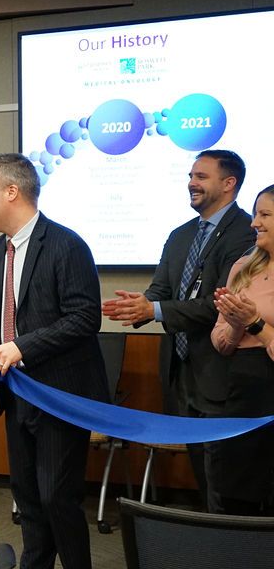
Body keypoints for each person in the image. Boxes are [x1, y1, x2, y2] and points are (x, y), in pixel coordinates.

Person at [0, 153, 108, 569]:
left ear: (11, 192)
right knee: (27, 498)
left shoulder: (66, 245)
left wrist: (20, 346)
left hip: (60, 394)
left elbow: (83, 318)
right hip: (18, 394)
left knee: (57, 498)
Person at [103, 149, 255, 507]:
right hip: (179, 370)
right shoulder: (180, 234)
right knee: (200, 468)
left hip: (222, 372)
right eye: (190, 176)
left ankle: (228, 549)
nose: (191, 183)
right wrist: (139, 306)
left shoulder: (245, 235)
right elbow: (162, 290)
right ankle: (205, 542)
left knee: (225, 475)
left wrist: (155, 309)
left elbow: (219, 304)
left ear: (229, 183)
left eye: (201, 176)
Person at [208, 185, 274, 515]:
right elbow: (220, 343)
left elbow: (259, 329)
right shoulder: (243, 267)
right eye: (254, 213)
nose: (253, 223)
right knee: (237, 491)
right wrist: (236, 322)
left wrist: (256, 323)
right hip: (244, 391)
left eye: (264, 215)